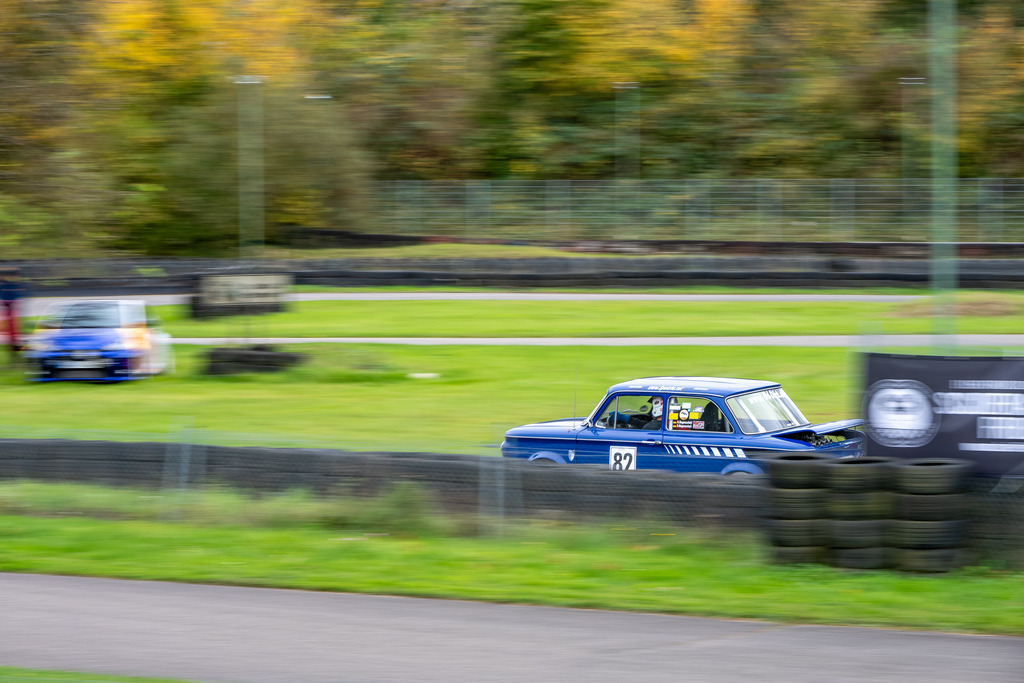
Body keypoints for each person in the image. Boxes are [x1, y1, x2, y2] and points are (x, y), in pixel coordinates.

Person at [0, 267, 27, 362]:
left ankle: (16, 351)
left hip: (11, 309)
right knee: (13, 331)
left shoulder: (8, 285)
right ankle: (15, 351)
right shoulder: (7, 285)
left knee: (13, 331)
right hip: (10, 309)